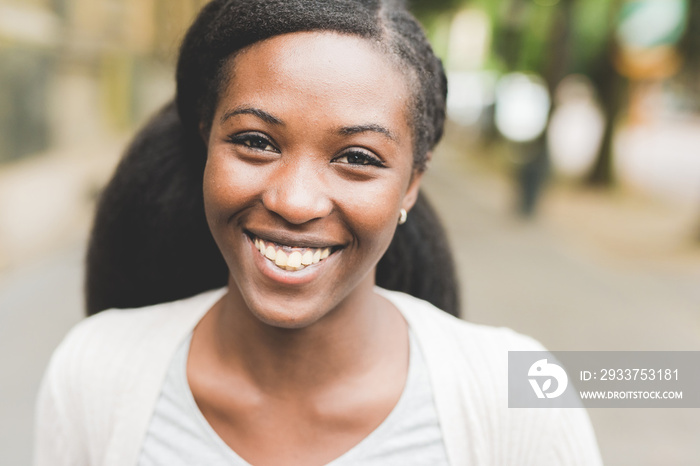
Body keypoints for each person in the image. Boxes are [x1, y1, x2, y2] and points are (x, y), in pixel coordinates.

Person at [34, 1, 602, 465]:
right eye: (256, 141)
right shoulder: (94, 371)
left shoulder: (519, 395)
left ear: (411, 184)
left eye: (357, 156)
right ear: (206, 141)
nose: (295, 201)